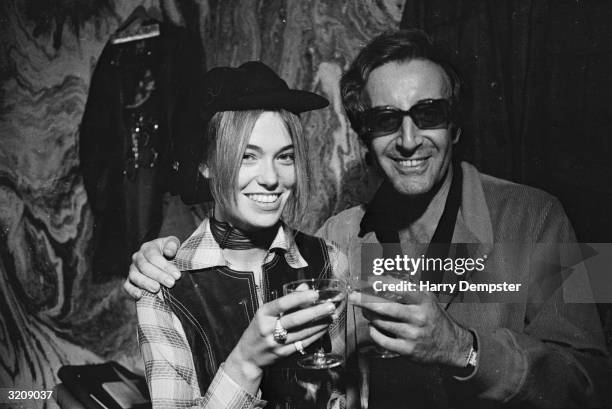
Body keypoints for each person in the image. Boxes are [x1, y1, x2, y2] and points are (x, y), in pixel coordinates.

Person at [125, 31, 611, 408]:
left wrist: (466, 349)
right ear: (364, 135)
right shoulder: (339, 237)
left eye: (429, 113)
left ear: (457, 124)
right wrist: (161, 258)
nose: (407, 139)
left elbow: (600, 380)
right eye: (384, 119)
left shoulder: (545, 213)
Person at [134, 61, 350, 409]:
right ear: (205, 165)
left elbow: (339, 390)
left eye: (285, 157)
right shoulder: (163, 289)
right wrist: (246, 361)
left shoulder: (329, 262)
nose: (270, 178)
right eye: (247, 156)